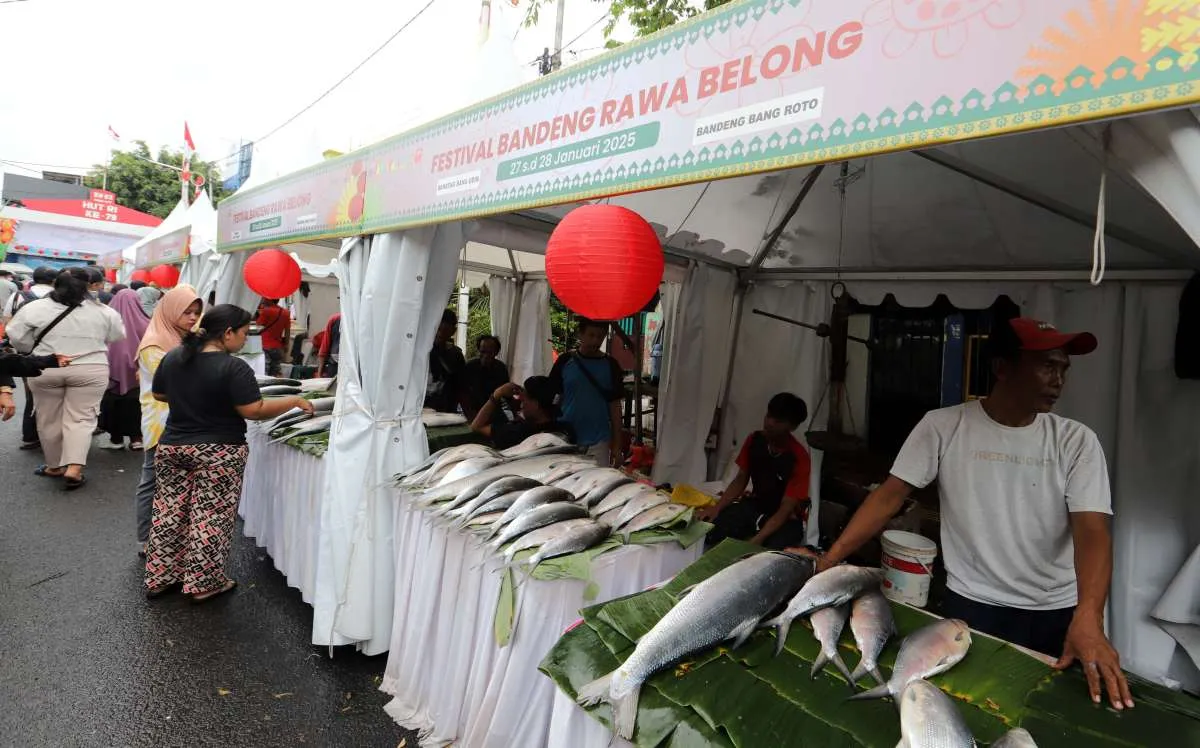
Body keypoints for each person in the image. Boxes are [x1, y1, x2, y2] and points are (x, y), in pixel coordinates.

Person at [791, 317, 1134, 711]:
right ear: (1002, 367)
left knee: (1045, 714)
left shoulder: (1076, 441)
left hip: (1055, 611)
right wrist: (829, 560)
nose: (1058, 380)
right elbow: (888, 497)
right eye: (1046, 366)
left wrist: (1089, 615)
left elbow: (1092, 531)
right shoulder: (943, 426)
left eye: (1063, 368)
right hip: (972, 606)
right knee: (969, 710)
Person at [144, 304, 315, 603]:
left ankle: (161, 577)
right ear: (227, 333)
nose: (245, 339)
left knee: (168, 513)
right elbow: (254, 410)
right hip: (219, 451)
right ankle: (204, 583)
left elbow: (159, 393)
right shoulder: (233, 367)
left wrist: (190, 397)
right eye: (244, 333)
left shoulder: (174, 357)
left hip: (172, 446)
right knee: (210, 516)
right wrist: (294, 401)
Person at [6, 267, 125, 489]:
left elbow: (16, 337)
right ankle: (74, 468)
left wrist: (33, 348)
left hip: (46, 366)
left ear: (56, 283)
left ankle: (54, 466)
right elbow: (117, 335)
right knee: (82, 418)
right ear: (88, 285)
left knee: (48, 418)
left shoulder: (34, 308)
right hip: (90, 366)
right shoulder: (103, 311)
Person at [134, 285, 203, 556]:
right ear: (171, 310)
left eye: (196, 312)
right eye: (186, 312)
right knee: (152, 480)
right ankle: (145, 539)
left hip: (182, 418)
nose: (192, 318)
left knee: (174, 482)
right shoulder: (154, 343)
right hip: (161, 421)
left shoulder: (181, 337)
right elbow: (174, 382)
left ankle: (169, 536)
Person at [697, 393, 811, 549]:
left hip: (784, 517)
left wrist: (758, 539)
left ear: (792, 426)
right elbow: (740, 479)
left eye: (778, 421)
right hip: (756, 505)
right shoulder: (754, 440)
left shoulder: (799, 458)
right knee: (712, 530)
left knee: (769, 550)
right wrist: (716, 508)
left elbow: (786, 508)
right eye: (769, 416)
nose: (769, 423)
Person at [548, 318, 624, 467]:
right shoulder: (565, 361)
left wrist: (617, 446)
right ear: (580, 334)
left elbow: (615, 407)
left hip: (598, 442)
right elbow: (553, 398)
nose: (595, 341)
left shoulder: (611, 365)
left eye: (600, 336)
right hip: (566, 439)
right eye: (591, 335)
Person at [5, 265, 57, 449]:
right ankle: (52, 437)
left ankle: (30, 435)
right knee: (55, 395)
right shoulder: (60, 298)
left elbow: (8, 321)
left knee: (32, 394)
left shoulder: (18, 295)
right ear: (54, 281)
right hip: (53, 352)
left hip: (25, 352)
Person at [97, 289, 149, 451]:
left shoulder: (107, 320)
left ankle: (116, 439)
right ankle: (137, 439)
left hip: (111, 370)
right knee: (136, 404)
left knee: (112, 403)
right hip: (138, 372)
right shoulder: (146, 322)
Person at [469, 375, 574, 449]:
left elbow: (477, 426)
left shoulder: (517, 433)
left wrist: (497, 394)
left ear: (536, 404)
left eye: (523, 400)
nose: (521, 405)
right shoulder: (566, 431)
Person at [462, 334, 513, 420]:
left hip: (494, 412)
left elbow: (507, 396)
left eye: (490, 352)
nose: (486, 356)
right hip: (472, 412)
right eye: (483, 352)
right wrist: (470, 415)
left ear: (496, 352)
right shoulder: (470, 367)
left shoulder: (501, 368)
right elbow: (462, 393)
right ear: (478, 350)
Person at [426, 308, 467, 413]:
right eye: (438, 329)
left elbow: (461, 387)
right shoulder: (422, 351)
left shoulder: (456, 354)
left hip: (446, 409)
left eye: (445, 330)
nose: (440, 334)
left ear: (453, 331)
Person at [256, 298, 291, 376]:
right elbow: (287, 331)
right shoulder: (286, 312)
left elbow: (258, 326)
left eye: (265, 298)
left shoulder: (266, 311)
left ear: (269, 300)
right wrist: (286, 344)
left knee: (265, 370)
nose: (263, 299)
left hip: (264, 345)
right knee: (275, 371)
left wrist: (259, 314)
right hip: (278, 346)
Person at [316, 312, 341, 378]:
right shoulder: (361, 320)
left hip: (335, 364)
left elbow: (324, 348)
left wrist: (319, 372)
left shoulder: (335, 318)